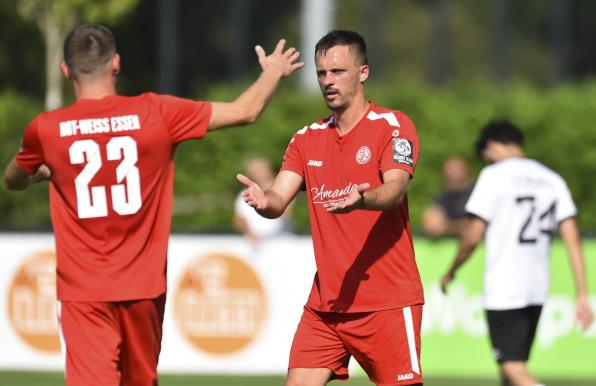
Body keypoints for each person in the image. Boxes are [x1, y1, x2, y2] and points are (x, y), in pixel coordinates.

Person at [3, 24, 303, 386]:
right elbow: (245, 111)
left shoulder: (47, 129)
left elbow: (13, 178)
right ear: (116, 63)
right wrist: (272, 71)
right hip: (144, 288)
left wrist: (37, 174)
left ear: (65, 70)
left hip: (84, 291)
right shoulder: (156, 112)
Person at [237, 30, 424, 386]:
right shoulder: (306, 138)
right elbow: (278, 198)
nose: (328, 81)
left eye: (338, 72)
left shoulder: (393, 126)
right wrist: (264, 203)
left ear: (363, 73)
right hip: (327, 305)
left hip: (386, 302)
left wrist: (364, 199)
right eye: (322, 73)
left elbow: (396, 189)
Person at [440, 120, 593, 386]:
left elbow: (472, 236)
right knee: (511, 369)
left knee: (513, 368)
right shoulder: (552, 179)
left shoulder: (493, 176)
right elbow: (572, 237)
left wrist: (452, 270)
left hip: (505, 287)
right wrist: (582, 293)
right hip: (537, 287)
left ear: (492, 146)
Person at [233, 156, 290, 242]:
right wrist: (250, 234)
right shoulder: (244, 194)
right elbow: (239, 221)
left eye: (263, 169)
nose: (261, 173)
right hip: (254, 242)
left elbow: (286, 215)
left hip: (279, 241)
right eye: (257, 171)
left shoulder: (282, 189)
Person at [422, 155, 473, 238]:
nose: (453, 173)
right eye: (450, 170)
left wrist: (448, 227)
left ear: (466, 170)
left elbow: (477, 225)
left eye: (456, 169)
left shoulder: (477, 193)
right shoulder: (442, 195)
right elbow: (431, 220)